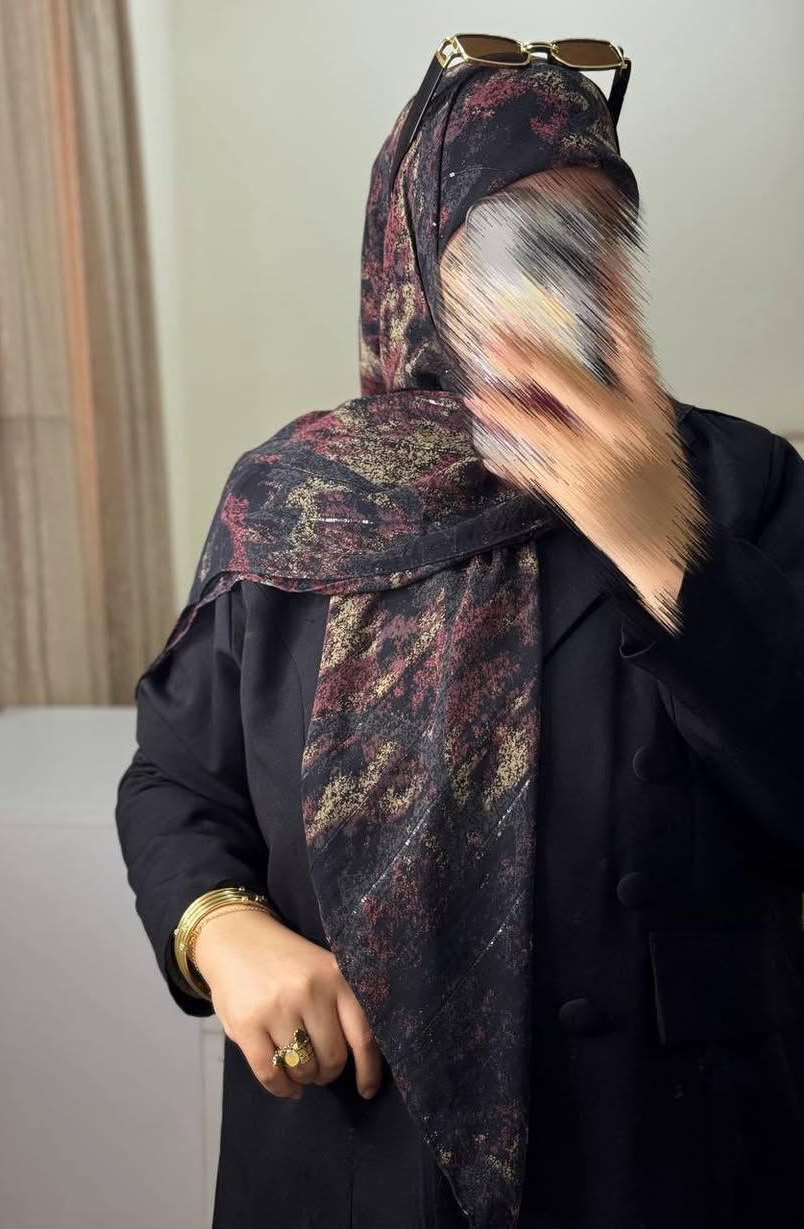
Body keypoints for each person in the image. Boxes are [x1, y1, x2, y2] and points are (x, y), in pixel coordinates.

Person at [115, 35, 804, 1229]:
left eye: (594, 238)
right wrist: (219, 928)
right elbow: (176, 779)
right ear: (418, 259)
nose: (562, 279)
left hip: (672, 1153)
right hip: (357, 1158)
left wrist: (665, 542)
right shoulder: (293, 500)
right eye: (514, 240)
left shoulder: (742, 482)